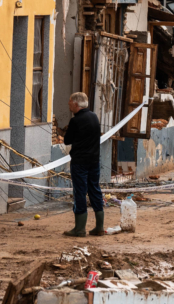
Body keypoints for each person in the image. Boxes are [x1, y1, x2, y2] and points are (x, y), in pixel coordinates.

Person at [62, 92, 104, 237]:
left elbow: (67, 141)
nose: (68, 105)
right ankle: (99, 227)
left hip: (80, 162)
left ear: (76, 104)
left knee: (80, 192)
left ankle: (79, 228)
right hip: (94, 160)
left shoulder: (76, 120)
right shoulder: (94, 117)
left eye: (69, 102)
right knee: (95, 189)